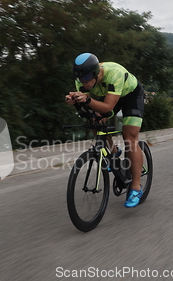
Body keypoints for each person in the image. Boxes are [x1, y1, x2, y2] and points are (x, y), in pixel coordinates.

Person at [65, 53, 146, 208]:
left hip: (131, 97)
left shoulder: (114, 73)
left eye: (87, 78)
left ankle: (136, 188)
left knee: (129, 137)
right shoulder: (81, 80)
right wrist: (74, 101)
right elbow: (87, 107)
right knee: (93, 121)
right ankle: (114, 153)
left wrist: (87, 99)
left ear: (96, 72)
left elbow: (108, 108)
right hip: (112, 96)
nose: (84, 83)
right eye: (80, 79)